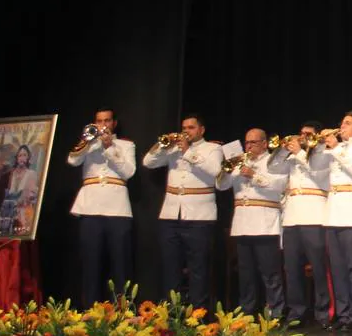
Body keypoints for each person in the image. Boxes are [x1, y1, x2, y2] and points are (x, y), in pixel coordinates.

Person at [142, 114, 223, 306]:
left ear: (201, 130)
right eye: (184, 127)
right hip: (171, 215)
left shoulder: (213, 148)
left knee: (198, 268)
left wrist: (188, 152)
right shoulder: (173, 149)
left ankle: (198, 314)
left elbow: (215, 171)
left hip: (199, 217)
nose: (186, 131)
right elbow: (148, 162)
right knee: (171, 267)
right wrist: (163, 145)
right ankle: (171, 313)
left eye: (191, 127)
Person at [309, 112, 352, 332]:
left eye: (348, 124)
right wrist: (318, 146)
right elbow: (315, 169)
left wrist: (336, 148)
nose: (342, 127)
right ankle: (343, 313)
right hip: (333, 213)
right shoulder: (334, 148)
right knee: (336, 269)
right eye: (341, 123)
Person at [68, 108, 136, 305]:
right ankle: (90, 312)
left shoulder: (125, 145)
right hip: (90, 208)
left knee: (121, 265)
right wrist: (88, 143)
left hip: (117, 209)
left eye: (107, 121)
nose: (103, 125)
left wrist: (109, 148)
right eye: (99, 121)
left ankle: (124, 314)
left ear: (114, 123)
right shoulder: (88, 143)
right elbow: (72, 160)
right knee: (91, 265)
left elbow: (129, 172)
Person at [216, 128, 287, 315]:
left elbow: (279, 185)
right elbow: (221, 185)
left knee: (270, 273)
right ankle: (247, 311)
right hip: (242, 224)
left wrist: (253, 175)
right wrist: (227, 169)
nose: (249, 146)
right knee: (246, 274)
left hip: (265, 224)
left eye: (253, 142)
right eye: (247, 142)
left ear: (264, 143)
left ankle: (275, 312)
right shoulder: (240, 162)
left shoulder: (274, 161)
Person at [268, 122, 332, 328]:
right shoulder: (293, 157)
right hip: (292, 217)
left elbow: (319, 175)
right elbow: (273, 168)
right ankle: (296, 311)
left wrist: (300, 153)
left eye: (308, 134)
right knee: (291, 268)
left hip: (315, 215)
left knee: (319, 267)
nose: (303, 137)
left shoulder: (323, 152)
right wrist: (281, 150)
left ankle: (324, 312)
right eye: (301, 134)